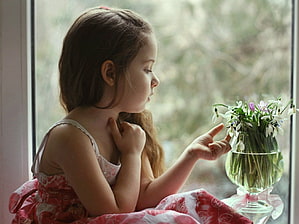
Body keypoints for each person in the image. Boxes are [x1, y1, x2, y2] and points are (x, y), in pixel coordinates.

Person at [9, 7, 252, 224]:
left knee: (193, 202)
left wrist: (190, 155)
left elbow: (144, 198)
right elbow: (113, 211)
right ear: (110, 73)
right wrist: (132, 153)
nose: (155, 80)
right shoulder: (70, 137)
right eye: (147, 69)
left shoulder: (127, 128)